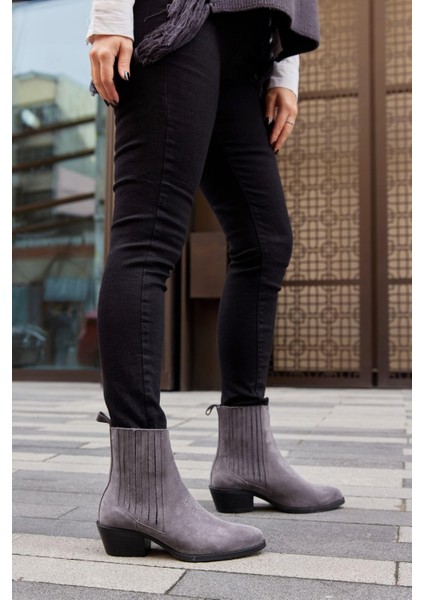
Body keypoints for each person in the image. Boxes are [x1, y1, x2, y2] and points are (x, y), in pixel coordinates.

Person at [87, 0, 345, 563]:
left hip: (246, 45)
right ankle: (139, 488)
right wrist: (108, 18)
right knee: (148, 238)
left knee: (265, 242)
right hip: (179, 19)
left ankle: (246, 458)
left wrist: (285, 71)